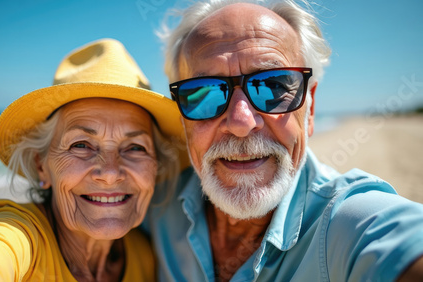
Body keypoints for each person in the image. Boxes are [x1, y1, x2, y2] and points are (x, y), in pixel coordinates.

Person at [143, 1, 423, 281]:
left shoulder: (348, 224)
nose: (241, 123)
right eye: (206, 93)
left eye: (274, 86)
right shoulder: (154, 206)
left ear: (310, 110)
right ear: (182, 117)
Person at [0, 38, 187, 281]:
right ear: (42, 166)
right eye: (81, 145)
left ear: (156, 166)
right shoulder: (18, 235)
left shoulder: (146, 256)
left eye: (134, 148)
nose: (109, 173)